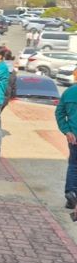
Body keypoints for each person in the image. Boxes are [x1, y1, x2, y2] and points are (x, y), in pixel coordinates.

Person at [57, 67, 77, 210]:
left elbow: (59, 113)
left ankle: (71, 193)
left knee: (74, 165)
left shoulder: (68, 92)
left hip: (73, 136)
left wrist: (66, 130)